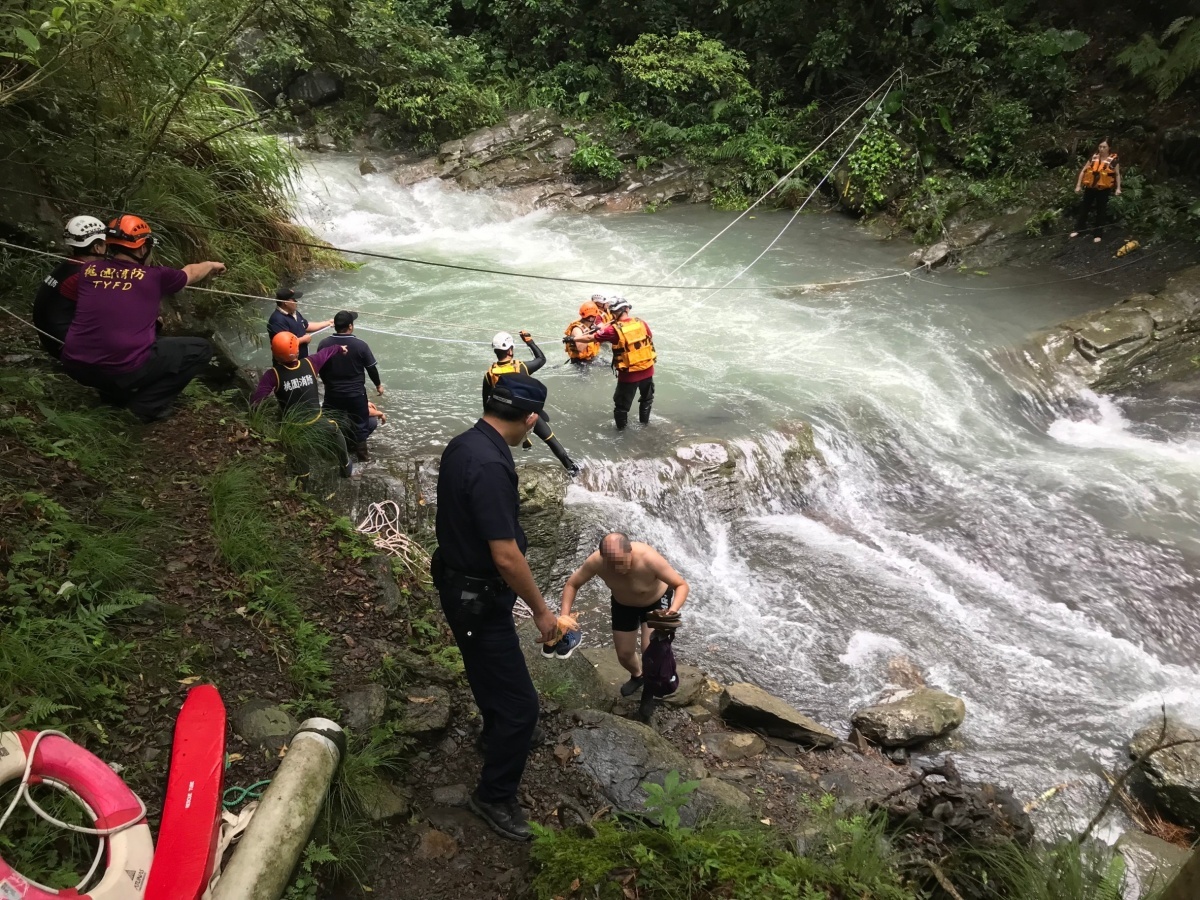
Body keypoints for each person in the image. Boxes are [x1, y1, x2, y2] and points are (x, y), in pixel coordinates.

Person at [432, 372, 559, 842]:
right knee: (523, 706)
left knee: (486, 669)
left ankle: (493, 732)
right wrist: (543, 613)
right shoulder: (489, 464)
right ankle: (494, 795)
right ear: (529, 418)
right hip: (478, 595)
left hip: (459, 583)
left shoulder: (466, 443)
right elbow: (506, 554)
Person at [60, 215, 225, 423]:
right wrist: (210, 264)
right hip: (120, 368)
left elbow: (82, 298)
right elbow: (191, 272)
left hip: (75, 365)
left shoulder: (87, 271)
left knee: (147, 336)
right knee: (201, 349)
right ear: (140, 248)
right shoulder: (154, 276)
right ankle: (144, 407)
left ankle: (113, 394)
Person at [559, 532, 689, 698]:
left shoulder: (649, 558)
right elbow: (572, 584)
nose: (617, 569)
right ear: (603, 557)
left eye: (621, 562)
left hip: (656, 604)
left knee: (650, 651)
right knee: (624, 654)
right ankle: (638, 676)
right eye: (611, 564)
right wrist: (564, 617)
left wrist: (673, 610)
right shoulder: (596, 562)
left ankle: (650, 690)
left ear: (630, 551)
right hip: (623, 604)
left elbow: (681, 585)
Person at [250, 332, 353, 478]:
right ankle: (346, 466)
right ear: (297, 351)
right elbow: (327, 352)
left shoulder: (272, 375)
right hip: (317, 421)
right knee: (335, 430)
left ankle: (303, 480)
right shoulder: (310, 363)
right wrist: (340, 348)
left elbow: (257, 402)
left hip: (293, 427)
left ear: (274, 352)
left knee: (298, 452)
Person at [485, 330, 580, 475]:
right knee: (550, 439)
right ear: (510, 350)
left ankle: (499, 471)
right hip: (526, 414)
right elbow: (541, 359)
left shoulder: (489, 374)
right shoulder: (521, 367)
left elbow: (487, 401)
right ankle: (572, 469)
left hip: (504, 417)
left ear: (496, 351)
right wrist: (529, 341)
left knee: (498, 445)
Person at [573, 296, 656, 429]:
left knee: (621, 407)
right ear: (627, 309)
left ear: (613, 313)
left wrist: (574, 339)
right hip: (648, 369)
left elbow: (590, 337)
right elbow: (649, 337)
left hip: (629, 375)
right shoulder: (641, 322)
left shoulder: (613, 330)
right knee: (647, 400)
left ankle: (621, 433)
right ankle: (644, 425)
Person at [32, 216, 108, 359]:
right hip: (67, 349)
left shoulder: (68, 266)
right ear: (97, 248)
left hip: (53, 340)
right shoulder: (83, 277)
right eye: (104, 244)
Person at [316, 310, 383, 462]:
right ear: (350, 326)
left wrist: (328, 384)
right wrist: (378, 385)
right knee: (361, 423)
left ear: (335, 327)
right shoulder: (360, 345)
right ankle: (362, 457)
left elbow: (320, 368)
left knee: (331, 421)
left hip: (333, 393)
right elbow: (371, 368)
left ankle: (332, 453)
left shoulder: (324, 344)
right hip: (356, 394)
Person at [1072, 139, 1121, 243]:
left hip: (1103, 189)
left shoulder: (1113, 161)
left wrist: (1118, 188)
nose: (1101, 149)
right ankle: (1078, 229)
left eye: (1104, 147)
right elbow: (1083, 171)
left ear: (1109, 148)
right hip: (1090, 188)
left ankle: (1098, 234)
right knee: (1084, 208)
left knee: (1101, 211)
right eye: (1100, 147)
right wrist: (1078, 185)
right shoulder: (1093, 158)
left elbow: (1117, 174)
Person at [267, 287, 333, 360]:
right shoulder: (277, 320)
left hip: (301, 358)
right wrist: (303, 339)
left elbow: (306, 326)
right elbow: (283, 345)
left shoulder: (294, 313)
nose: (296, 302)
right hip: (288, 363)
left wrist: (328, 323)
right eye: (294, 299)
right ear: (286, 303)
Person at [562, 301, 603, 365]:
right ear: (591, 318)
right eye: (595, 316)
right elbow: (580, 348)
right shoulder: (577, 330)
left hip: (591, 359)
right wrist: (590, 334)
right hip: (580, 363)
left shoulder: (590, 326)